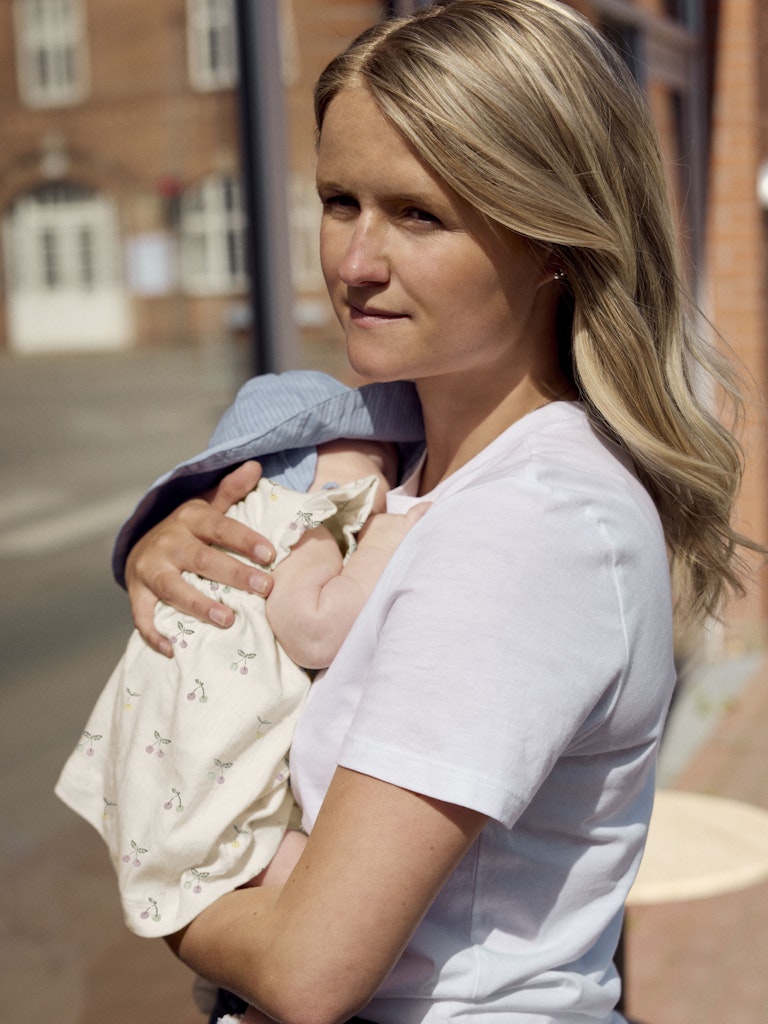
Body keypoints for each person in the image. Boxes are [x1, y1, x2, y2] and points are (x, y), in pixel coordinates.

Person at [110, 2, 761, 1021]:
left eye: (419, 214)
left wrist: (157, 873)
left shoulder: (529, 527)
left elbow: (309, 971)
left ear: (550, 235)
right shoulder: (390, 462)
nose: (356, 263)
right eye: (339, 201)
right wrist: (182, 556)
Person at [56, 427, 426, 947]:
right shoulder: (302, 517)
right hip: (208, 764)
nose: (388, 476)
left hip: (158, 752)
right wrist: (382, 542)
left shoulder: (239, 515)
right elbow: (315, 629)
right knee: (331, 907)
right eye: (379, 458)